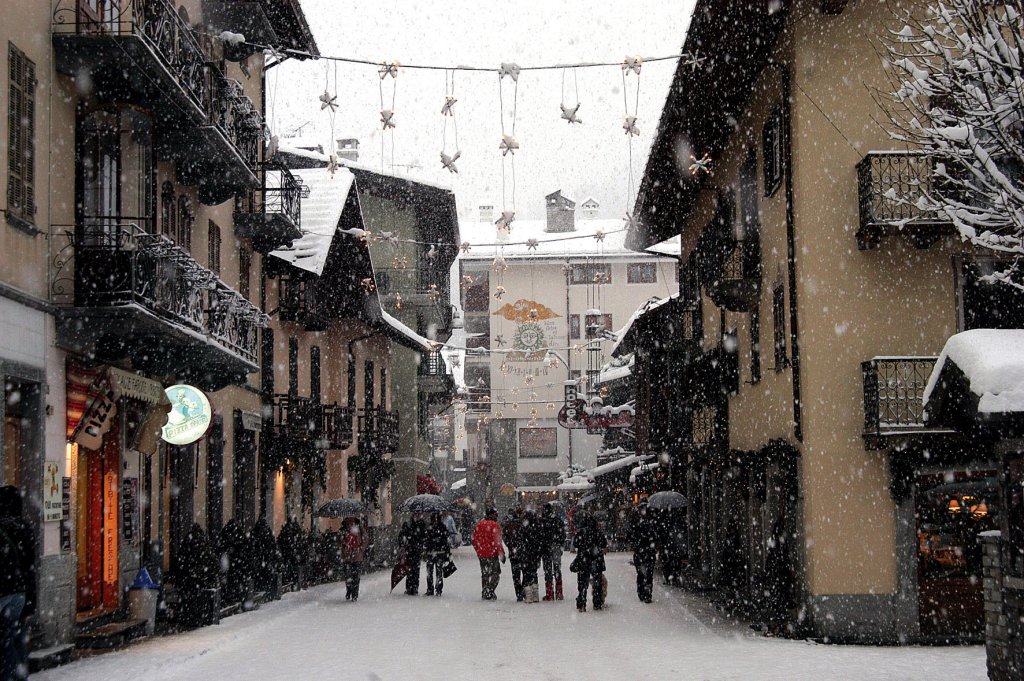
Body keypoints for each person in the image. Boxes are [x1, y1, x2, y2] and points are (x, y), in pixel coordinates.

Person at [0, 486, 35, 681]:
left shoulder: (3, 527)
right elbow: (31, 567)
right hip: (20, 593)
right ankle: (21, 675)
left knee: (4, 642)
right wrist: (31, 602)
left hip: (4, 591)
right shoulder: (25, 527)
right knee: (18, 638)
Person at [572, 512, 607, 612]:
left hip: (584, 560)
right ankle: (597, 603)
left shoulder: (581, 532)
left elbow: (575, 544)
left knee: (582, 583)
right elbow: (604, 544)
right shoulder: (598, 532)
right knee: (597, 582)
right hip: (596, 560)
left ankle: (582, 603)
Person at [472, 508, 505, 600]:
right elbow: (497, 541)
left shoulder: (479, 524)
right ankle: (490, 590)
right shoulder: (494, 525)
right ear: (492, 515)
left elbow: (474, 540)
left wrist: (478, 550)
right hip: (492, 554)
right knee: (496, 573)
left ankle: (485, 591)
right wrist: (501, 553)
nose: (497, 516)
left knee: (485, 574)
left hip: (482, 554)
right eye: (495, 514)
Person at [630, 503, 658, 603]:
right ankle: (647, 594)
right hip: (648, 552)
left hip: (640, 552)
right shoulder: (651, 524)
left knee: (641, 574)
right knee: (648, 574)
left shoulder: (637, 524)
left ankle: (642, 592)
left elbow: (632, 537)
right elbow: (655, 537)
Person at [539, 502, 566, 600]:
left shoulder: (542, 521)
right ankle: (559, 593)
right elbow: (562, 533)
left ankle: (549, 593)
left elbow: (539, 536)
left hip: (545, 549)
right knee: (557, 569)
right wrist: (560, 544)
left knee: (547, 571)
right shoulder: (557, 520)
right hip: (556, 547)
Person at [502, 506, 526, 601]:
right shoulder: (524, 525)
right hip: (523, 553)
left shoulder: (509, 525)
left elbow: (505, 537)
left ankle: (519, 593)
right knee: (525, 572)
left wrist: (511, 546)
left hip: (514, 553)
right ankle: (523, 590)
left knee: (516, 575)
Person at [424, 513, 451, 597]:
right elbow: (426, 539)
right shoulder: (431, 527)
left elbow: (445, 539)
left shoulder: (440, 527)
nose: (435, 520)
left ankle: (437, 589)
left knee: (437, 572)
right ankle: (431, 589)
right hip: (433, 552)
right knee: (431, 572)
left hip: (438, 553)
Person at [519, 509, 543, 603]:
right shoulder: (538, 527)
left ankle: (528, 596)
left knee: (526, 573)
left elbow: (519, 539)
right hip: (535, 554)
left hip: (526, 554)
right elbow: (540, 541)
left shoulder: (524, 527)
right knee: (534, 573)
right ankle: (535, 594)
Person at [398, 514, 425, 595]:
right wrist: (403, 545)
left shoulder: (421, 525)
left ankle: (414, 588)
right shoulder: (408, 525)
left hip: (416, 551)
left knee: (415, 570)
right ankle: (410, 587)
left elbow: (423, 537)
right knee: (410, 570)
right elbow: (401, 536)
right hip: (410, 551)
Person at [340, 518, 365, 602]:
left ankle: (354, 594)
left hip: (356, 557)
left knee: (355, 576)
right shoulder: (343, 529)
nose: (350, 523)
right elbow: (338, 541)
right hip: (347, 557)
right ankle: (350, 591)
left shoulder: (359, 528)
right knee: (349, 576)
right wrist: (344, 544)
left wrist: (360, 548)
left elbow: (366, 539)